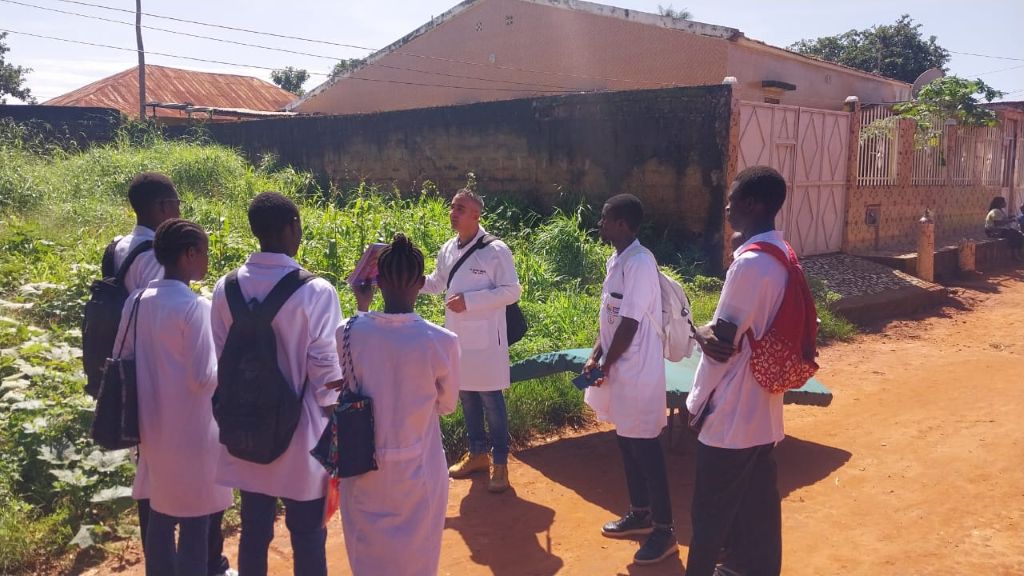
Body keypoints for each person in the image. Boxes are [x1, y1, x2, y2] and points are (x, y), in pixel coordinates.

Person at [211, 192, 343, 576]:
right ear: (292, 227)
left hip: (245, 431)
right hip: (300, 436)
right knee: (306, 534)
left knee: (253, 530)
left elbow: (224, 358)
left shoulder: (226, 288)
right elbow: (325, 372)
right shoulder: (315, 291)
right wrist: (339, 422)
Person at [116, 173, 235, 576]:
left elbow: (123, 356)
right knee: (198, 519)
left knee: (161, 515)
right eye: (203, 252)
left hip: (151, 429)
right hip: (194, 432)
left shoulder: (136, 300)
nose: (206, 260)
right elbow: (204, 378)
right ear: (187, 254)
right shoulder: (193, 306)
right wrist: (230, 364)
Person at [684, 166, 794, 576]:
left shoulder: (749, 264)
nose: (727, 206)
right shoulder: (783, 255)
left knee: (710, 514)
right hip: (764, 410)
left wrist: (697, 401)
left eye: (732, 199)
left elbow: (721, 345)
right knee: (759, 510)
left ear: (751, 203)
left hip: (731, 415)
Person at [333, 233, 461, 576]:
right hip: (419, 467)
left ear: (377, 281)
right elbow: (447, 405)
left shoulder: (347, 330)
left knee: (367, 555)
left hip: (363, 465)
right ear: (421, 284)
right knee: (418, 558)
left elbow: (350, 378)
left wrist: (362, 304)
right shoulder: (441, 341)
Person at [582, 194, 677, 566]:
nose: (601, 223)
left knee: (647, 449)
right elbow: (611, 314)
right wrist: (596, 352)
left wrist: (607, 362)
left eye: (606, 218)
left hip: (636, 370)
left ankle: (665, 529)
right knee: (626, 440)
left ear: (622, 224)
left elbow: (632, 322)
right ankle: (641, 514)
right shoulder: (616, 260)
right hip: (619, 365)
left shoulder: (640, 263)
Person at [421, 189, 522, 493]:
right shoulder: (448, 248)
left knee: (491, 400)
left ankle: (501, 463)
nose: (453, 212)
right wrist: (409, 280)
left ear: (476, 216)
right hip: (458, 340)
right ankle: (478, 454)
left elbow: (512, 291)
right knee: (466, 397)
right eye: (452, 207)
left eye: (460, 208)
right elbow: (437, 283)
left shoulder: (496, 251)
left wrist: (471, 301)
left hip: (488, 343)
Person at [984, 196, 1024, 260]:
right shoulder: (995, 211)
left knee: (1018, 234)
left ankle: (1017, 254)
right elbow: (997, 223)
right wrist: (1010, 220)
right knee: (1014, 234)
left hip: (998, 230)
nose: (1005, 203)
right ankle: (1015, 255)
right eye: (1004, 202)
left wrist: (1010, 218)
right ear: (1000, 203)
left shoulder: (1000, 211)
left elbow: (1002, 220)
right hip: (993, 232)